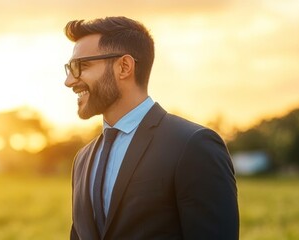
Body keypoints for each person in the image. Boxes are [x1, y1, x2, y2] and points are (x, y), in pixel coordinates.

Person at [64, 17, 239, 239]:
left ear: (124, 67)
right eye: (69, 68)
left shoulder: (193, 145)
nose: (69, 81)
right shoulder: (82, 159)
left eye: (81, 66)